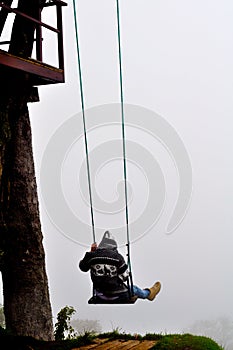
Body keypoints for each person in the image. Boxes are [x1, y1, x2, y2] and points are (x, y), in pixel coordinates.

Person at [79, 231, 161, 301]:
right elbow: (124, 277)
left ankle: (147, 293)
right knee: (133, 289)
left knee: (129, 289)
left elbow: (83, 268)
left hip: (100, 295)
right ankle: (149, 293)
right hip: (118, 295)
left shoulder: (91, 256)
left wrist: (91, 252)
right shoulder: (117, 257)